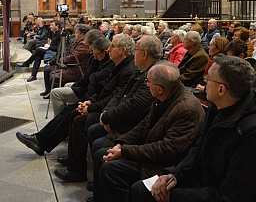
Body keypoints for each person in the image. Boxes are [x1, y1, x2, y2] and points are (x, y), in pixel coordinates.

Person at [127, 55, 256, 202]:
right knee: (140, 189)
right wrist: (175, 174)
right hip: (206, 182)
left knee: (143, 194)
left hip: (224, 194)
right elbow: (199, 151)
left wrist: (174, 197)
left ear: (221, 89)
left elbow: (231, 195)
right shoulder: (219, 107)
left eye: (208, 78)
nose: (204, 81)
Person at [87, 61, 205, 202]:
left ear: (160, 88)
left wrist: (125, 151)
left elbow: (167, 150)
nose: (146, 84)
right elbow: (144, 125)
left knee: (111, 170)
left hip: (164, 164)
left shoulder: (186, 109)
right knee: (102, 153)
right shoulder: (164, 96)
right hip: (150, 150)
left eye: (148, 82)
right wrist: (121, 143)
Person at [54, 36, 163, 183]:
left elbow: (134, 106)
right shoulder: (138, 71)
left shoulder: (149, 73)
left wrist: (106, 115)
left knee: (85, 124)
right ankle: (81, 169)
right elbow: (118, 94)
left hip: (130, 123)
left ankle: (85, 173)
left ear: (143, 54)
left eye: (112, 46)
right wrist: (104, 112)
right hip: (113, 112)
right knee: (78, 115)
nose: (108, 49)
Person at [16, 34, 137, 157]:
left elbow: (113, 94)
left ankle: (50, 148)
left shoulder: (125, 68)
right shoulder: (116, 64)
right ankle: (40, 139)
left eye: (113, 46)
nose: (109, 49)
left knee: (74, 115)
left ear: (123, 50)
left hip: (102, 105)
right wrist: (90, 100)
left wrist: (91, 106)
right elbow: (98, 83)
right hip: (95, 97)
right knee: (68, 110)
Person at [44, 24, 91, 97]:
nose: (75, 34)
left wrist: (61, 60)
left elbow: (73, 57)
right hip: (72, 67)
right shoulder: (79, 41)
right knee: (51, 72)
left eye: (76, 32)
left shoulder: (83, 44)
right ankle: (54, 94)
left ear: (82, 34)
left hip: (78, 70)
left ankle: (60, 96)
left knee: (55, 77)